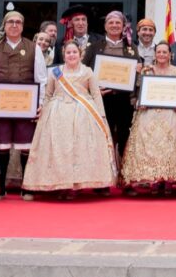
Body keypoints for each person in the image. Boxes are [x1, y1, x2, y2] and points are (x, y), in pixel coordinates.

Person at [22, 40, 117, 197]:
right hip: (58, 114)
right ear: (63, 54)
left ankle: (82, 184)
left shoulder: (87, 71)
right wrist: (43, 114)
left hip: (84, 113)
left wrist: (101, 115)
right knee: (60, 149)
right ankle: (60, 185)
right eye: (68, 52)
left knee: (82, 148)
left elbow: (95, 94)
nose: (71, 55)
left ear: (80, 54)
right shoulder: (56, 72)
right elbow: (48, 94)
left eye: (74, 52)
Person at [0, 10, 47, 198]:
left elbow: (42, 79)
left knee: (26, 147)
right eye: (10, 22)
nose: (14, 25)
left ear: (23, 26)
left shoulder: (34, 48)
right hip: (0, 107)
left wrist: (39, 103)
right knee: (2, 147)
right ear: (5, 26)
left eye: (18, 22)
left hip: (27, 106)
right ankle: (1, 187)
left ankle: (27, 187)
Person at [121, 40, 176, 194]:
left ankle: (167, 181)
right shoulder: (147, 71)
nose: (161, 55)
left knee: (170, 145)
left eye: (164, 52)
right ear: (155, 54)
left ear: (170, 54)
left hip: (172, 113)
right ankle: (152, 180)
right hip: (149, 112)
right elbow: (140, 92)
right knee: (147, 144)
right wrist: (141, 102)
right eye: (158, 52)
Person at [83, 10, 138, 158]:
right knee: (102, 133)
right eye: (111, 22)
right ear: (105, 26)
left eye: (118, 23)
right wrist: (93, 90)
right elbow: (84, 71)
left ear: (123, 26)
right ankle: (103, 169)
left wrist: (137, 70)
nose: (114, 25)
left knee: (123, 134)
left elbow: (137, 74)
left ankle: (122, 169)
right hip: (101, 99)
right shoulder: (94, 47)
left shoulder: (131, 47)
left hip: (124, 99)